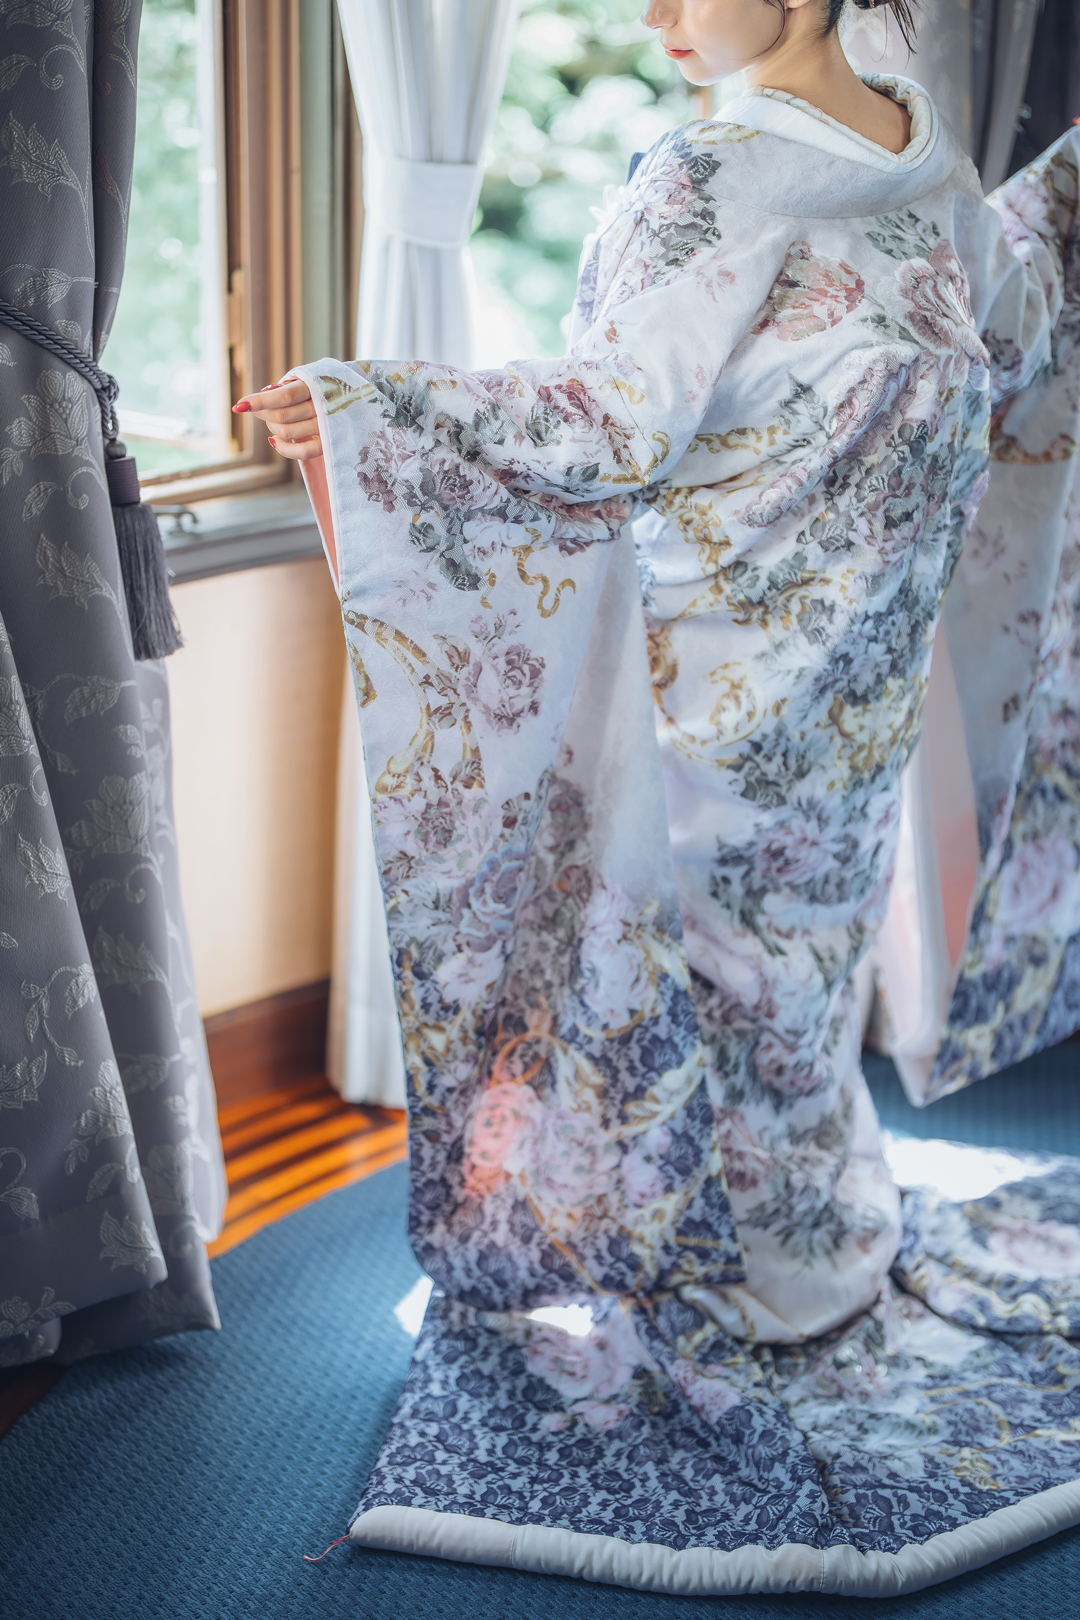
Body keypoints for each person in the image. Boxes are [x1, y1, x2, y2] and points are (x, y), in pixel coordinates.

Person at [234, 0, 1080, 1596]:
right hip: (850, 680)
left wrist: (378, 403)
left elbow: (612, 420)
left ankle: (734, 1273)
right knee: (787, 984)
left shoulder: (717, 176)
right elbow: (1013, 334)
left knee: (733, 986)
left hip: (723, 687)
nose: (656, 17)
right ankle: (811, 1255)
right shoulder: (927, 148)